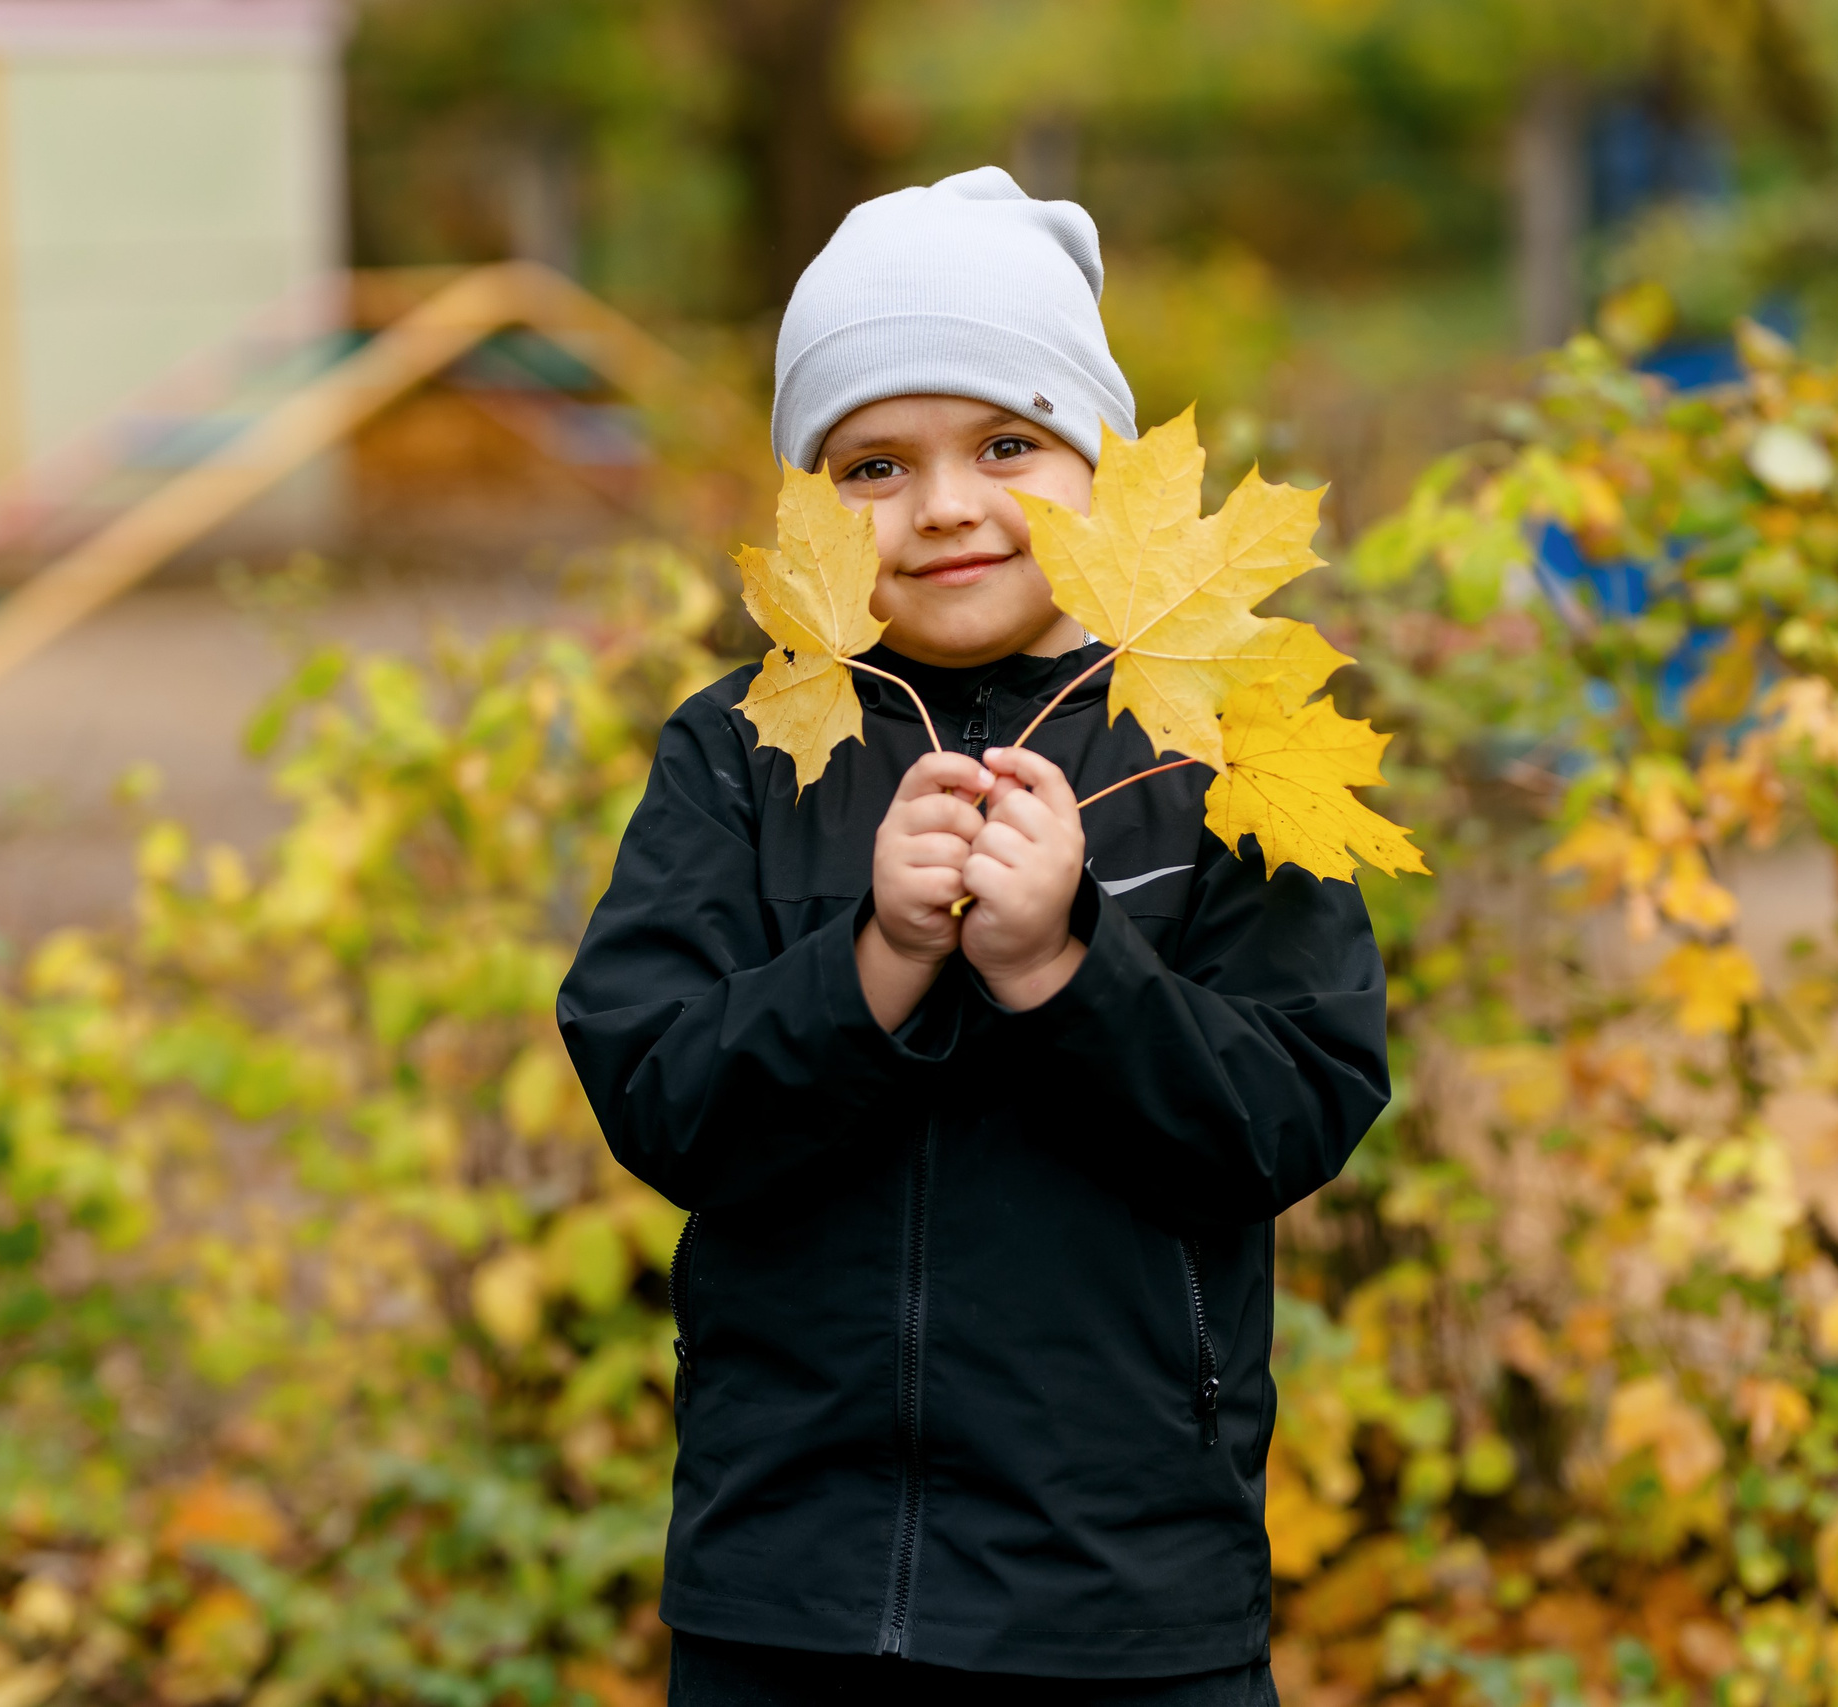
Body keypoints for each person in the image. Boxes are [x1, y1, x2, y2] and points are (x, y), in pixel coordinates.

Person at [557, 166, 1389, 1707]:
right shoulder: (743, 752)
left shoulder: (1209, 752)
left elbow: (1292, 1110)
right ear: (807, 505)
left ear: (1102, 468)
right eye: (873, 464)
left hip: (1124, 1598)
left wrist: (1065, 973)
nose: (945, 505)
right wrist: (873, 964)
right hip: (784, 1589)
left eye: (1008, 442)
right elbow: (660, 1094)